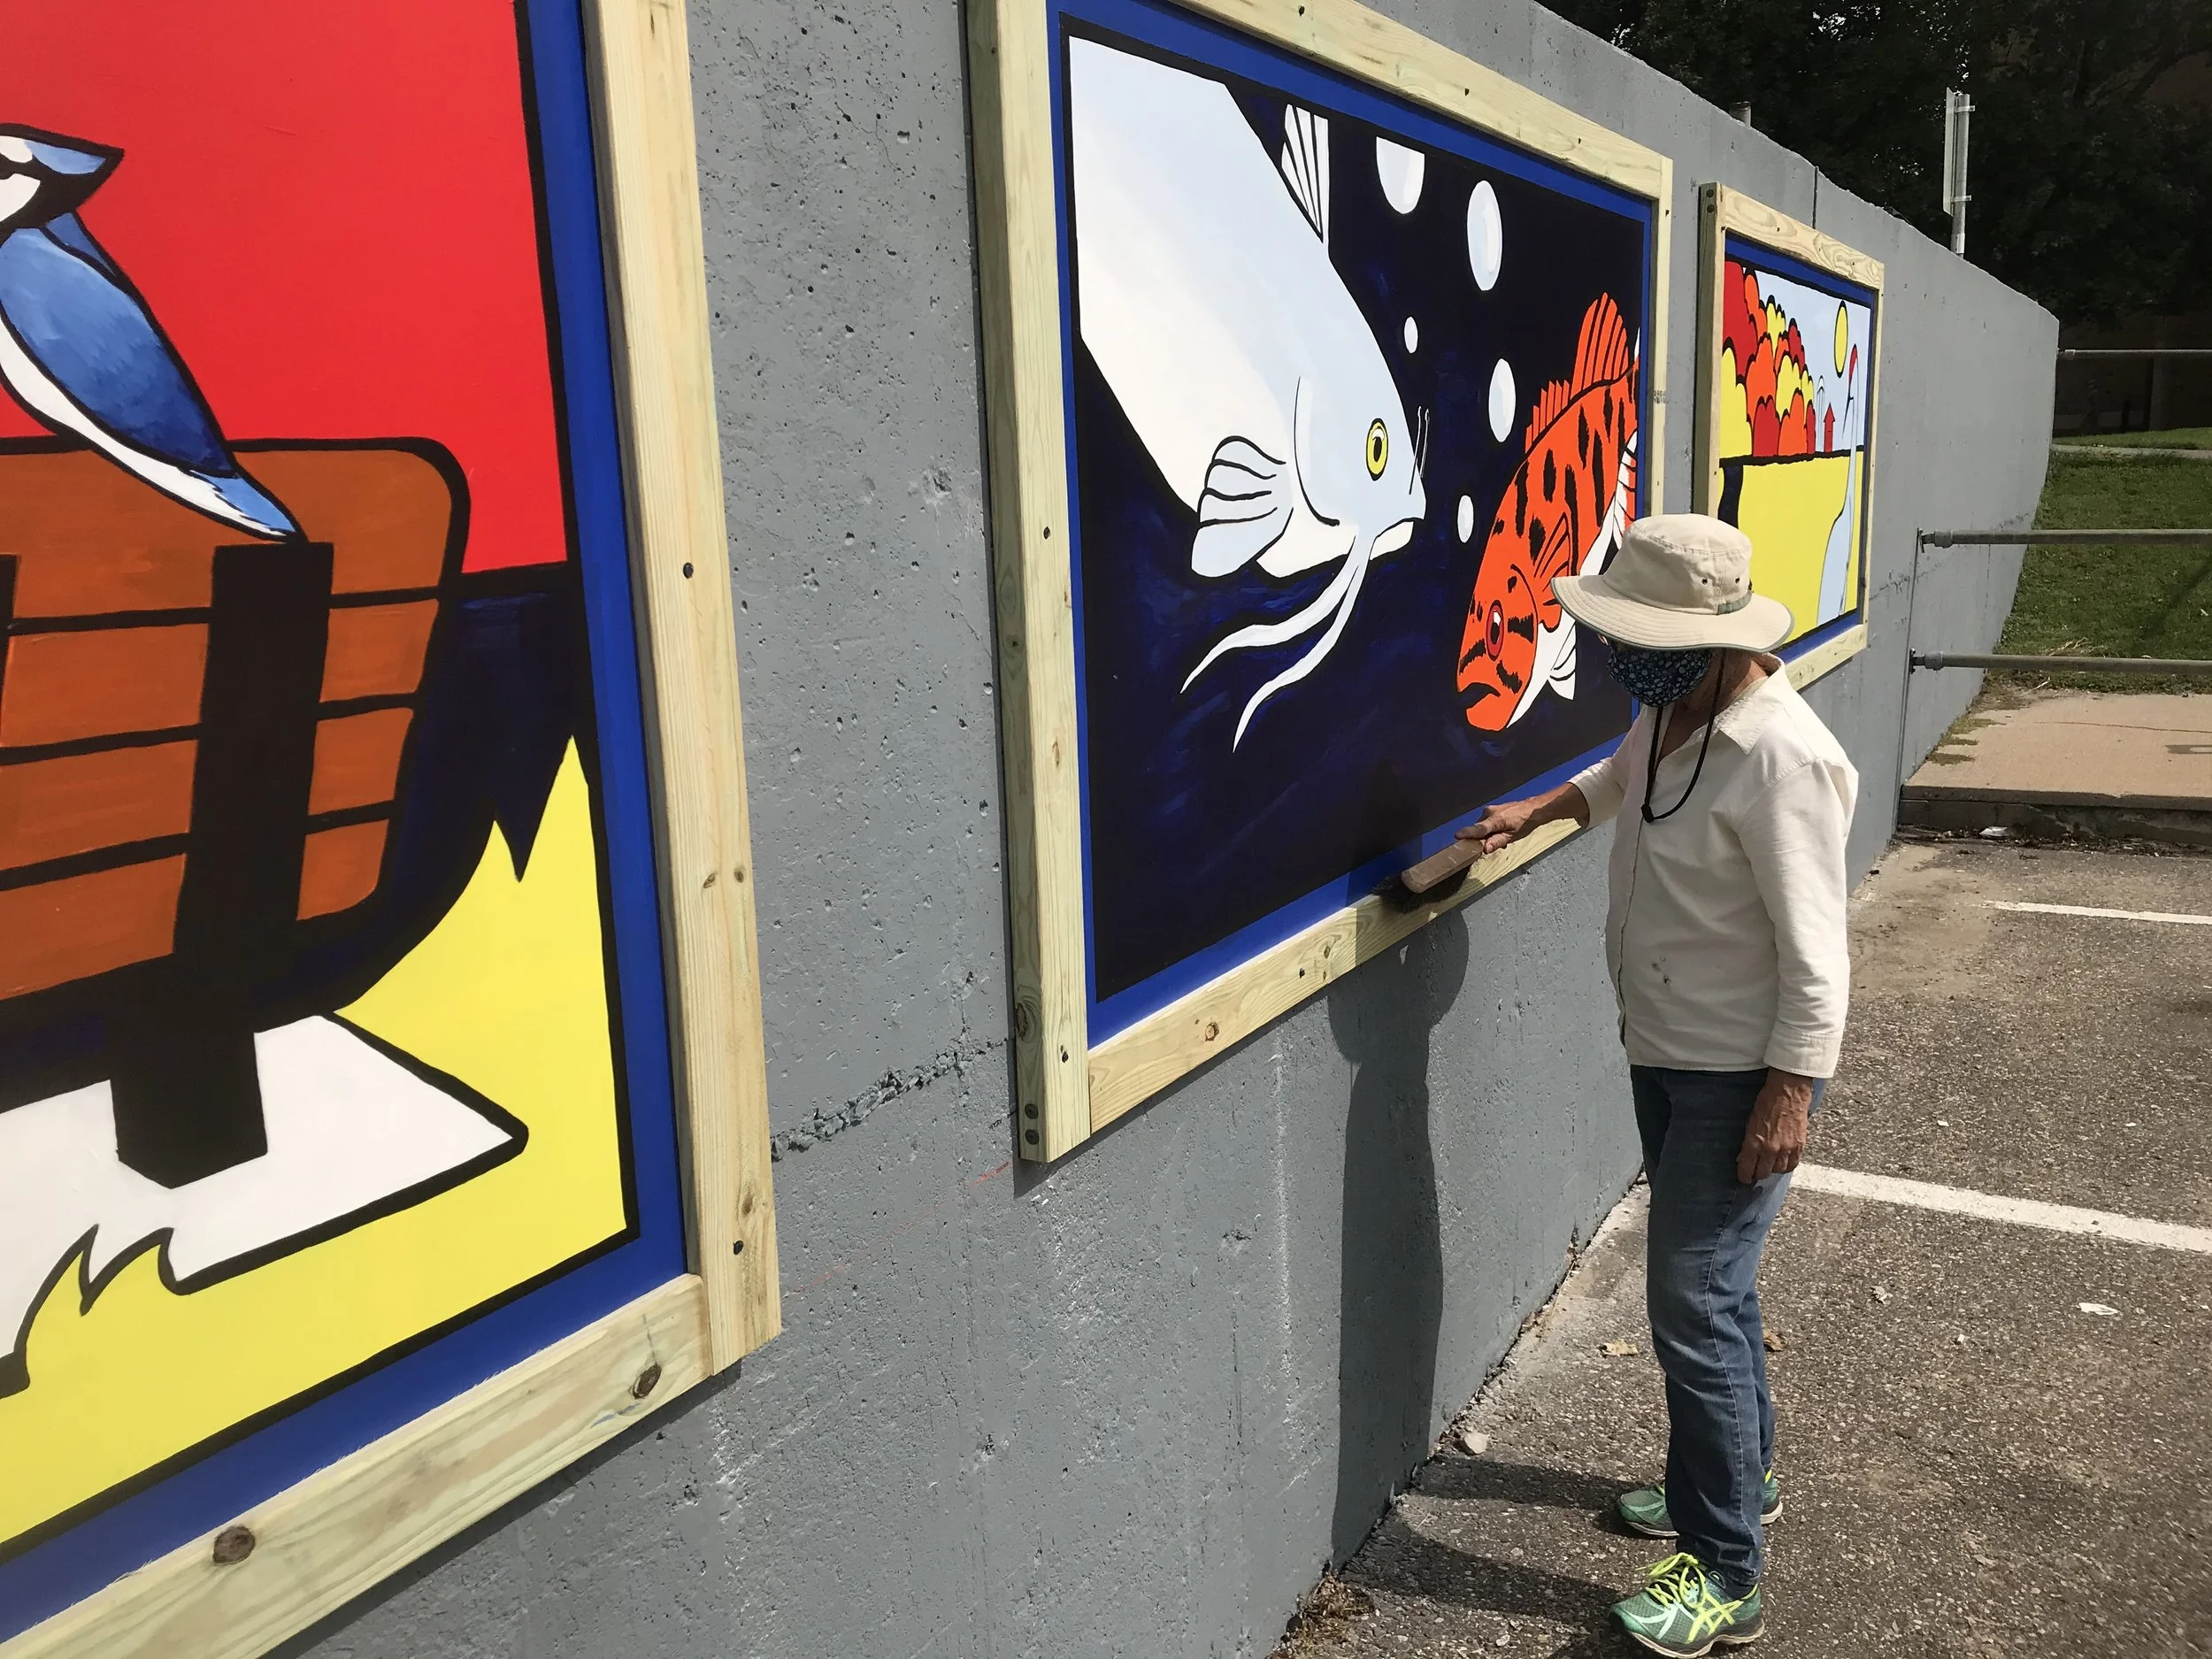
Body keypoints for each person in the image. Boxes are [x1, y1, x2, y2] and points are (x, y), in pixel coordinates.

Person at [1459, 515, 1856, 1657]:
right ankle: (1743, 1477)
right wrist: (1542, 809)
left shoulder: (1782, 755)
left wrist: (1790, 1093)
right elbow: (1621, 776)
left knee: (1690, 1302)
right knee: (1716, 1296)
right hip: (1666, 1048)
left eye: (1641, 638)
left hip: (1741, 1071)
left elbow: (1820, 955)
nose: (1620, 658)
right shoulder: (1672, 708)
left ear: (1715, 635)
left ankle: (1728, 1571)